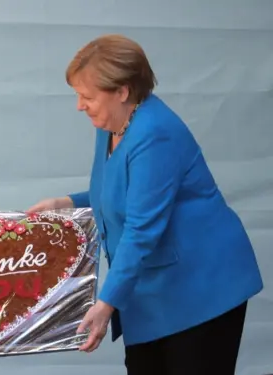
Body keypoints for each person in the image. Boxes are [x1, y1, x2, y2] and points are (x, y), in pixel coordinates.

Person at [28, 34, 263, 375]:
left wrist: (107, 303)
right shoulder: (111, 123)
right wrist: (65, 203)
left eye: (87, 96)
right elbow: (122, 192)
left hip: (200, 289)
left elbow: (142, 227)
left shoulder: (155, 133)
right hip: (154, 290)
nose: (80, 105)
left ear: (122, 91)